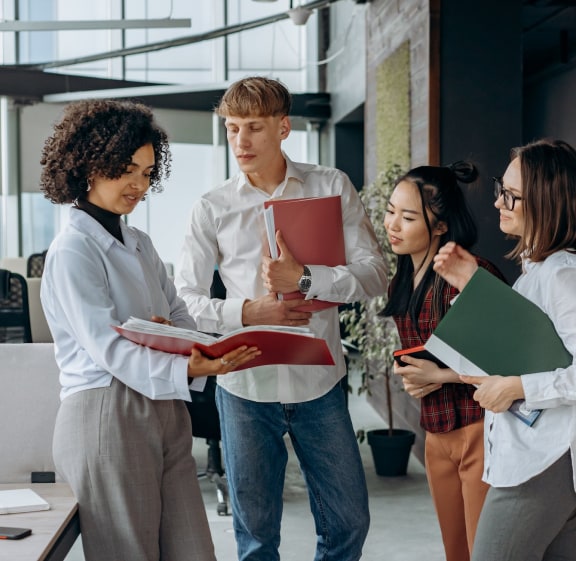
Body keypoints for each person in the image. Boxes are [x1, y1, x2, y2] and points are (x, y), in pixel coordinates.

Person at [175, 76, 387, 561]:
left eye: (253, 127)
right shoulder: (211, 208)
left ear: (284, 127)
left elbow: (375, 275)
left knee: (349, 521)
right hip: (244, 388)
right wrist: (251, 311)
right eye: (232, 129)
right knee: (255, 539)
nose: (241, 141)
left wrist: (306, 278)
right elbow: (185, 301)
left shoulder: (330, 186)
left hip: (319, 382)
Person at [39, 99, 260, 561]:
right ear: (89, 165)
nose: (139, 185)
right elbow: (109, 347)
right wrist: (183, 359)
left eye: (147, 172)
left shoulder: (140, 242)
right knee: (129, 554)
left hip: (165, 407)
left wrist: (196, 349)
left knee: (193, 551)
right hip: (106, 412)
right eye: (127, 170)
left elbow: (179, 314)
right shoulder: (73, 249)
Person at [433, 139, 576, 561]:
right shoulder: (537, 270)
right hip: (536, 455)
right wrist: (473, 289)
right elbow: (530, 346)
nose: (498, 202)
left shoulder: (562, 275)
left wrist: (514, 387)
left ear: (548, 203)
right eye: (501, 188)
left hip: (544, 459)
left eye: (511, 195)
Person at [382, 161, 505, 561]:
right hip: (435, 434)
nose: (393, 224)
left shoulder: (472, 274)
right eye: (390, 211)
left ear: (440, 227)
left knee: (484, 551)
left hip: (480, 431)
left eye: (408, 216)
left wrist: (441, 374)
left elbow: (509, 359)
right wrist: (414, 377)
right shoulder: (402, 277)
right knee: (456, 552)